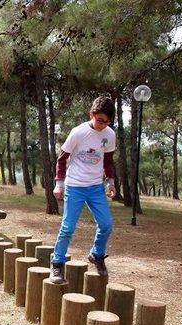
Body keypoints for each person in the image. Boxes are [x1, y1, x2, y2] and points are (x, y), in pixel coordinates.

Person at [50, 96, 116, 283]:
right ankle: (57, 263)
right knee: (68, 227)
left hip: (95, 187)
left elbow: (109, 161)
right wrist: (59, 184)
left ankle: (97, 254)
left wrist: (110, 182)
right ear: (92, 114)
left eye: (107, 122)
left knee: (106, 224)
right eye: (100, 120)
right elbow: (62, 159)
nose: (103, 125)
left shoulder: (110, 135)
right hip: (75, 186)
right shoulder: (78, 132)